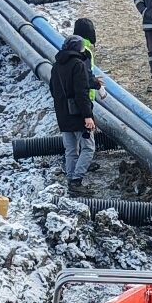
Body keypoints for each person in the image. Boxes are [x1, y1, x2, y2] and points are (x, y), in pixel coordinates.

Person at [49, 35, 96, 195]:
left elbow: (52, 91)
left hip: (62, 114)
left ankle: (71, 180)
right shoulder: (78, 64)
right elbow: (81, 93)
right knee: (88, 148)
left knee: (70, 149)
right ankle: (77, 180)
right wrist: (88, 116)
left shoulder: (56, 66)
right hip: (77, 115)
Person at [72, 18, 103, 172]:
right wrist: (96, 84)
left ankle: (74, 170)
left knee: (72, 143)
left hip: (73, 99)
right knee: (86, 139)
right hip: (84, 98)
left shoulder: (70, 46)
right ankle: (81, 169)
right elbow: (85, 75)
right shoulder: (85, 50)